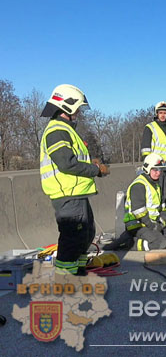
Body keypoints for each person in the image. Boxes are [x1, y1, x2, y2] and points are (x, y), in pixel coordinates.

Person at [39, 84, 110, 276]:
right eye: (77, 107)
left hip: (76, 193)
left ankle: (77, 270)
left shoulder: (66, 129)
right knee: (73, 236)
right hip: (67, 193)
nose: (79, 112)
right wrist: (96, 170)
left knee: (86, 234)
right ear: (67, 106)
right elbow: (67, 164)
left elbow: (72, 159)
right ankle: (65, 276)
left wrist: (91, 163)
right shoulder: (57, 131)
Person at [123, 154, 166, 250]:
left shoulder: (155, 184)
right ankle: (130, 244)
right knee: (160, 243)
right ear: (147, 169)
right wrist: (153, 226)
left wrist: (163, 223)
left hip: (151, 223)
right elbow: (139, 212)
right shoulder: (139, 185)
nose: (158, 173)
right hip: (137, 225)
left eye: (160, 170)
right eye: (155, 170)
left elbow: (156, 208)